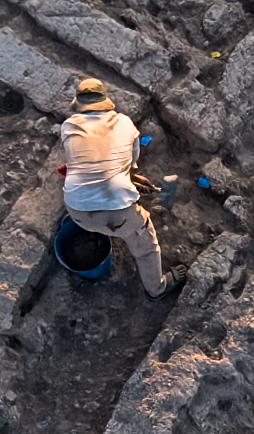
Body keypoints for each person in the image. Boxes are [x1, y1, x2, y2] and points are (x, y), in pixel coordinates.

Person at [49, 76, 171, 297]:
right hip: (119, 216)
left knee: (90, 209)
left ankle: (89, 231)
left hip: (77, 211)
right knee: (146, 250)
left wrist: (130, 180)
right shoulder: (125, 123)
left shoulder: (68, 126)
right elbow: (127, 165)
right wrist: (132, 179)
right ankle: (157, 289)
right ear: (105, 101)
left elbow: (89, 163)